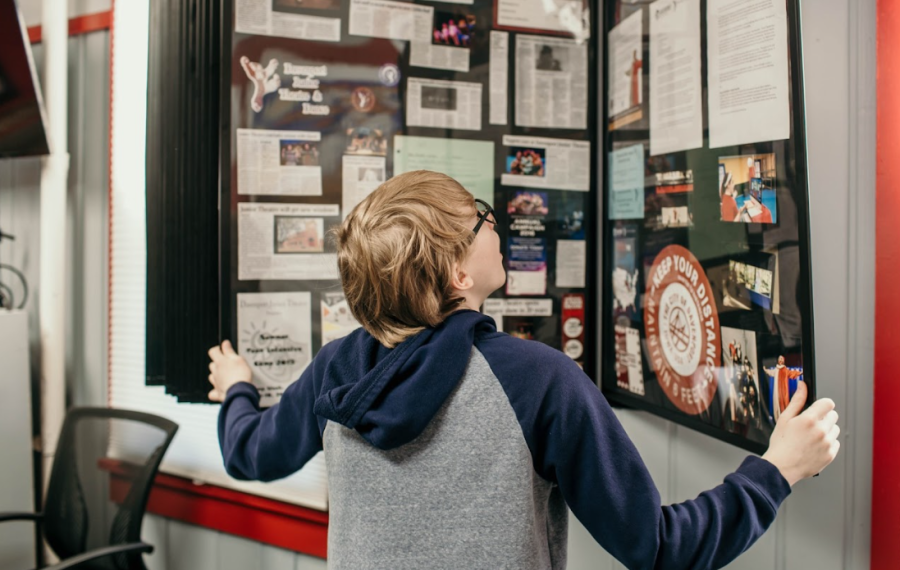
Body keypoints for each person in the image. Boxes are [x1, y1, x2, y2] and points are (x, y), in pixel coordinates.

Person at [208, 170, 840, 569]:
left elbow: (248, 453)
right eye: (481, 217)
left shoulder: (336, 372)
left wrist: (237, 387)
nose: (496, 224)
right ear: (458, 275)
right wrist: (777, 469)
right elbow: (658, 547)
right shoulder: (536, 380)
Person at [765, 356, 804, 422]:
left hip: (783, 392)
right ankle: (778, 420)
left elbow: (792, 373)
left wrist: (799, 373)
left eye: (782, 359)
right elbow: (771, 372)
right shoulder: (776, 370)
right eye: (779, 359)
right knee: (777, 405)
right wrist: (765, 370)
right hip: (777, 392)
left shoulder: (785, 370)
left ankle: (784, 420)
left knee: (784, 405)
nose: (780, 360)